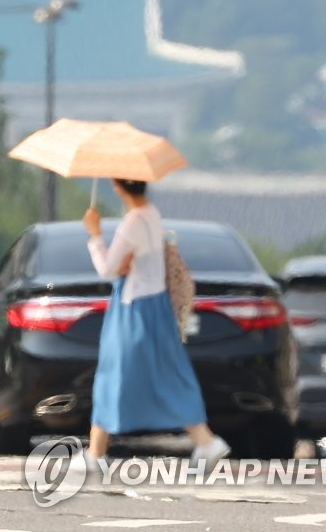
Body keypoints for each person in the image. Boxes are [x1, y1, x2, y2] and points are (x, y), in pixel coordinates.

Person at [81, 178, 229, 471]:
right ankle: (204, 440)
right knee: (167, 374)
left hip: (133, 309)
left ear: (119, 187)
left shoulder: (133, 221)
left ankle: (96, 455)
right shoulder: (151, 214)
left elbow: (107, 269)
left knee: (113, 373)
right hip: (155, 305)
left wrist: (95, 234)